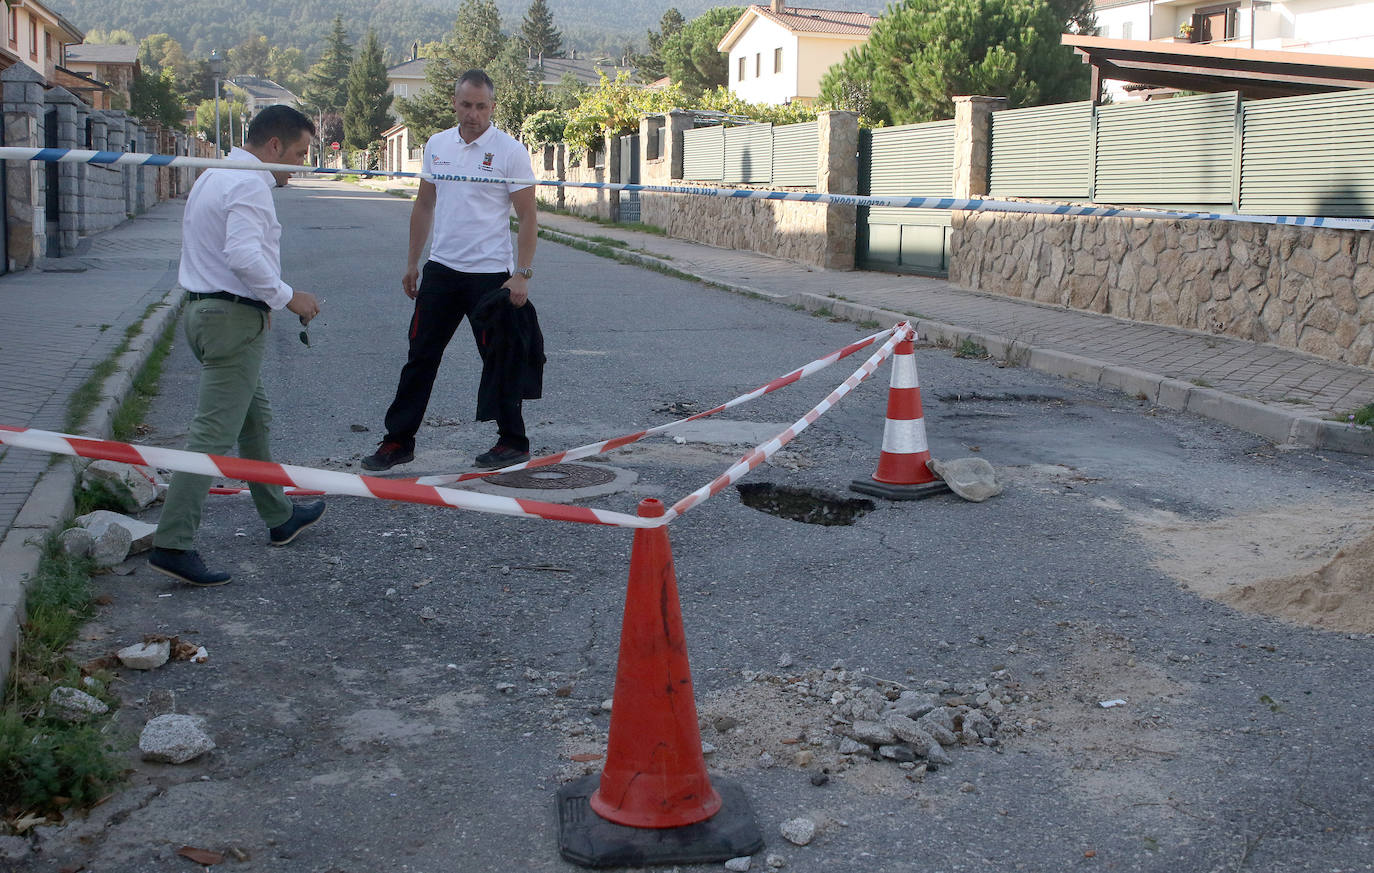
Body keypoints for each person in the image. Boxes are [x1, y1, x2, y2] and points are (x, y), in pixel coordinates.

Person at [148, 104, 326, 587]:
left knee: (253, 421)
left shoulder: (216, 174)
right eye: (299, 153)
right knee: (210, 439)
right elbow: (244, 254)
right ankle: (172, 543)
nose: (300, 165)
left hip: (205, 313)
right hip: (230, 320)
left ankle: (279, 516)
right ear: (274, 147)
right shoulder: (249, 183)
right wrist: (291, 298)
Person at [362, 68, 539, 473]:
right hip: (442, 270)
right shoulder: (437, 145)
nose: (472, 113)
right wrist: (412, 262)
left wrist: (522, 273)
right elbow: (424, 205)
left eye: (480, 106)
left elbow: (528, 216)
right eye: (465, 104)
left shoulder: (510, 151)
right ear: (454, 103)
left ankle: (513, 441)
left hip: (491, 275)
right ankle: (398, 441)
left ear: (492, 107)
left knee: (500, 359)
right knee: (419, 357)